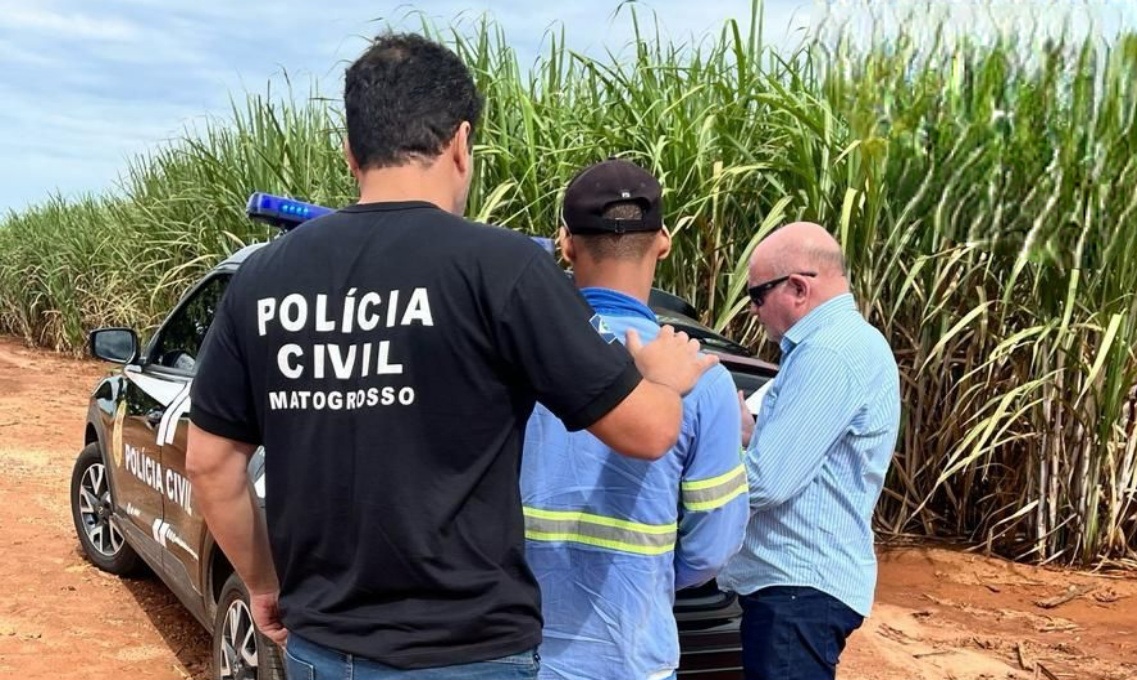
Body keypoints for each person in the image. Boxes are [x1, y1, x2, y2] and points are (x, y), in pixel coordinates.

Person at [183, 33, 719, 680]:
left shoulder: (263, 280)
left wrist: (265, 584)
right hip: (472, 655)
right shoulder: (502, 269)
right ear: (462, 143)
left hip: (324, 651)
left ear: (352, 151)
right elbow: (649, 430)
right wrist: (661, 377)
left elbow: (212, 465)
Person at [520, 159, 749, 680]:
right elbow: (714, 543)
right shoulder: (702, 379)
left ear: (566, 243)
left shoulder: (517, 357)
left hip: (519, 659)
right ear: (663, 241)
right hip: (632, 657)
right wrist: (650, 576)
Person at [716, 222, 901, 680]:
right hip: (799, 590)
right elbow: (804, 464)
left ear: (798, 287)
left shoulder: (828, 353)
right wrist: (749, 438)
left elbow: (765, 483)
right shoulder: (838, 347)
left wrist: (693, 474)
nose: (754, 310)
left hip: (796, 587)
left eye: (757, 295)